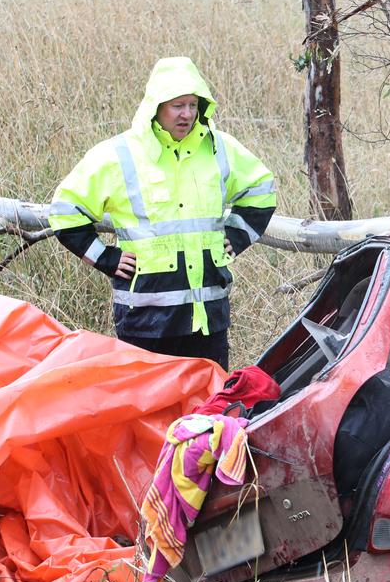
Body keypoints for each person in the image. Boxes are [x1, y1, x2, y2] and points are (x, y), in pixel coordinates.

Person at [48, 57, 277, 370]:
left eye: (193, 105)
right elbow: (65, 210)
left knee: (209, 412)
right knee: (149, 412)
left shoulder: (219, 148)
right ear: (156, 106)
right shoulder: (119, 154)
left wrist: (237, 235)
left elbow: (261, 188)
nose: (186, 114)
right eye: (177, 106)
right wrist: (105, 258)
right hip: (146, 320)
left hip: (207, 318)